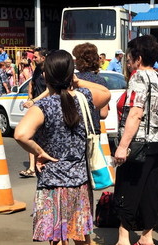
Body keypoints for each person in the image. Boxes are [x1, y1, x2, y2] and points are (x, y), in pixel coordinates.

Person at [14, 49, 110, 244]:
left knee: (55, 238)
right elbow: (106, 94)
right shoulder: (83, 97)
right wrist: (77, 82)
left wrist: (40, 152)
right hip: (79, 180)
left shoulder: (43, 106)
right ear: (70, 74)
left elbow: (21, 135)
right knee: (81, 236)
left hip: (52, 180)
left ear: (46, 75)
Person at [113, 35, 158, 245]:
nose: (128, 61)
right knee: (150, 190)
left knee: (127, 189)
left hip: (138, 144)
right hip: (155, 144)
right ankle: (147, 237)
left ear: (138, 58)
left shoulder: (138, 77)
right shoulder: (157, 77)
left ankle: (124, 237)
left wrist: (122, 147)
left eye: (130, 57)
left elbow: (135, 113)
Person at [19, 47, 48, 178]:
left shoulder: (48, 71)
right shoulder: (37, 70)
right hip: (36, 107)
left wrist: (34, 100)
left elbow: (49, 90)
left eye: (36, 57)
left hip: (46, 107)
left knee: (44, 138)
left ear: (43, 58)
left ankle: (43, 164)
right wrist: (30, 98)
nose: (33, 59)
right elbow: (32, 82)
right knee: (31, 136)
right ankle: (31, 168)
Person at [72, 42, 109, 134]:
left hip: (75, 130)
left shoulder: (73, 79)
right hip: (94, 129)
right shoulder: (101, 81)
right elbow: (103, 114)